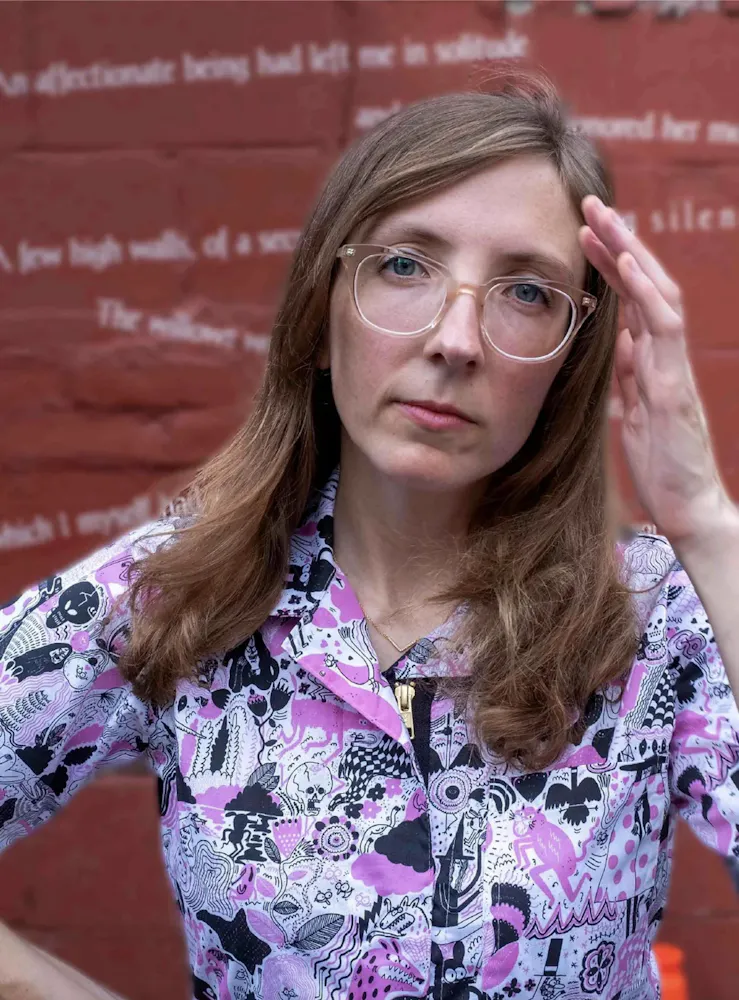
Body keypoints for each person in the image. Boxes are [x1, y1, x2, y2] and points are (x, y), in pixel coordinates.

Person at [1, 75, 738, 1000]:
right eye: (403, 266)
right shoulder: (177, 590)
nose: (456, 339)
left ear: (569, 360)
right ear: (322, 313)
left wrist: (705, 521)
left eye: (525, 291)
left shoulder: (654, 619)